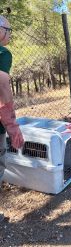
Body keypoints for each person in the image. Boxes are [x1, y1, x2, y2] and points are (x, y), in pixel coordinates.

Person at [0, 16, 24, 222]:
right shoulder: (3, 53)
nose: (10, 33)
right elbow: (3, 86)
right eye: (9, 29)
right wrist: (12, 125)